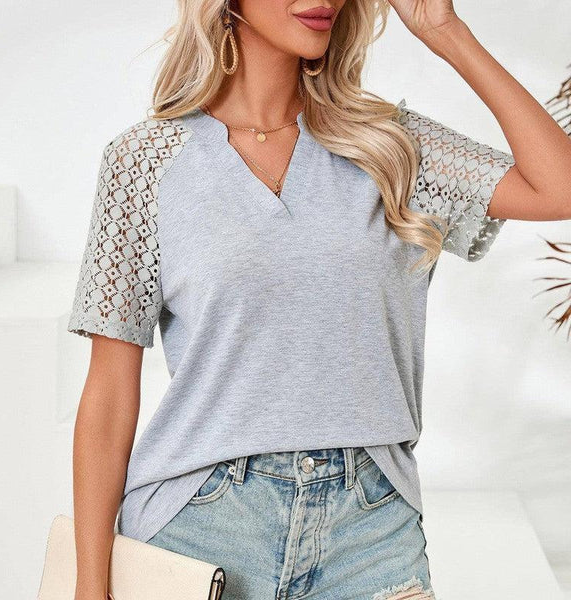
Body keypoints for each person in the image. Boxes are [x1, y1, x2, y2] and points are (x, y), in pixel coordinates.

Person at [67, 1, 571, 599]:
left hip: (370, 533)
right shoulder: (143, 163)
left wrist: (448, 33)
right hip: (201, 524)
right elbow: (108, 393)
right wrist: (90, 584)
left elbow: (559, 189)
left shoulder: (390, 146)